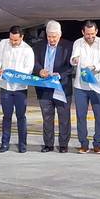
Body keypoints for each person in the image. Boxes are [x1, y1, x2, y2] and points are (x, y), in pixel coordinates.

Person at [32, 20, 73, 153]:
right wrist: (39, 71)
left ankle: (63, 144)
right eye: (49, 36)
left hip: (62, 87)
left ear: (60, 35)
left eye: (54, 36)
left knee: (64, 117)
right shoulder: (39, 46)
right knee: (47, 117)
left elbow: (70, 67)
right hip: (44, 88)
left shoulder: (68, 46)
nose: (52, 39)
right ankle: (48, 144)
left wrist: (59, 75)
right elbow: (34, 63)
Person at [0, 26, 35, 153]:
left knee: (21, 116)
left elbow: (28, 69)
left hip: (20, 88)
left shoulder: (28, 50)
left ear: (22, 37)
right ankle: (5, 143)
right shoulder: (3, 43)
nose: (13, 42)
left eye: (16, 40)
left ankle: (22, 144)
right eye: (11, 39)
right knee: (6, 116)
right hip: (5, 87)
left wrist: (13, 74)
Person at [70, 20, 100, 154]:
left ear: (96, 31)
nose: (90, 36)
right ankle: (83, 144)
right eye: (87, 34)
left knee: (99, 115)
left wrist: (94, 67)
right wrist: (74, 60)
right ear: (83, 32)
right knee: (80, 115)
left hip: (97, 84)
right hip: (80, 86)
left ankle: (98, 143)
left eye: (92, 34)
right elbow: (73, 59)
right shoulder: (77, 43)